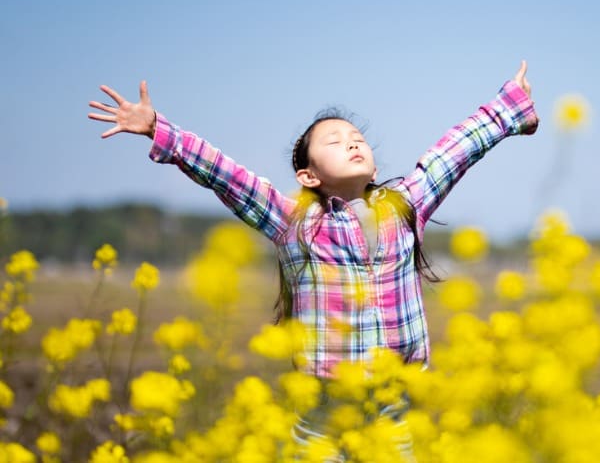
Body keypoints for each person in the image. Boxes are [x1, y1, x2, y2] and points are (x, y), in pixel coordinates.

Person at [87, 61, 539, 458]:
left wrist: (509, 109)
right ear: (307, 175)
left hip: (394, 403)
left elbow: (453, 153)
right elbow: (229, 177)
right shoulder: (295, 224)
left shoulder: (405, 207)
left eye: (358, 139)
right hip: (322, 407)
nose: (353, 143)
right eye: (335, 141)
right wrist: (158, 129)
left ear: (376, 168)